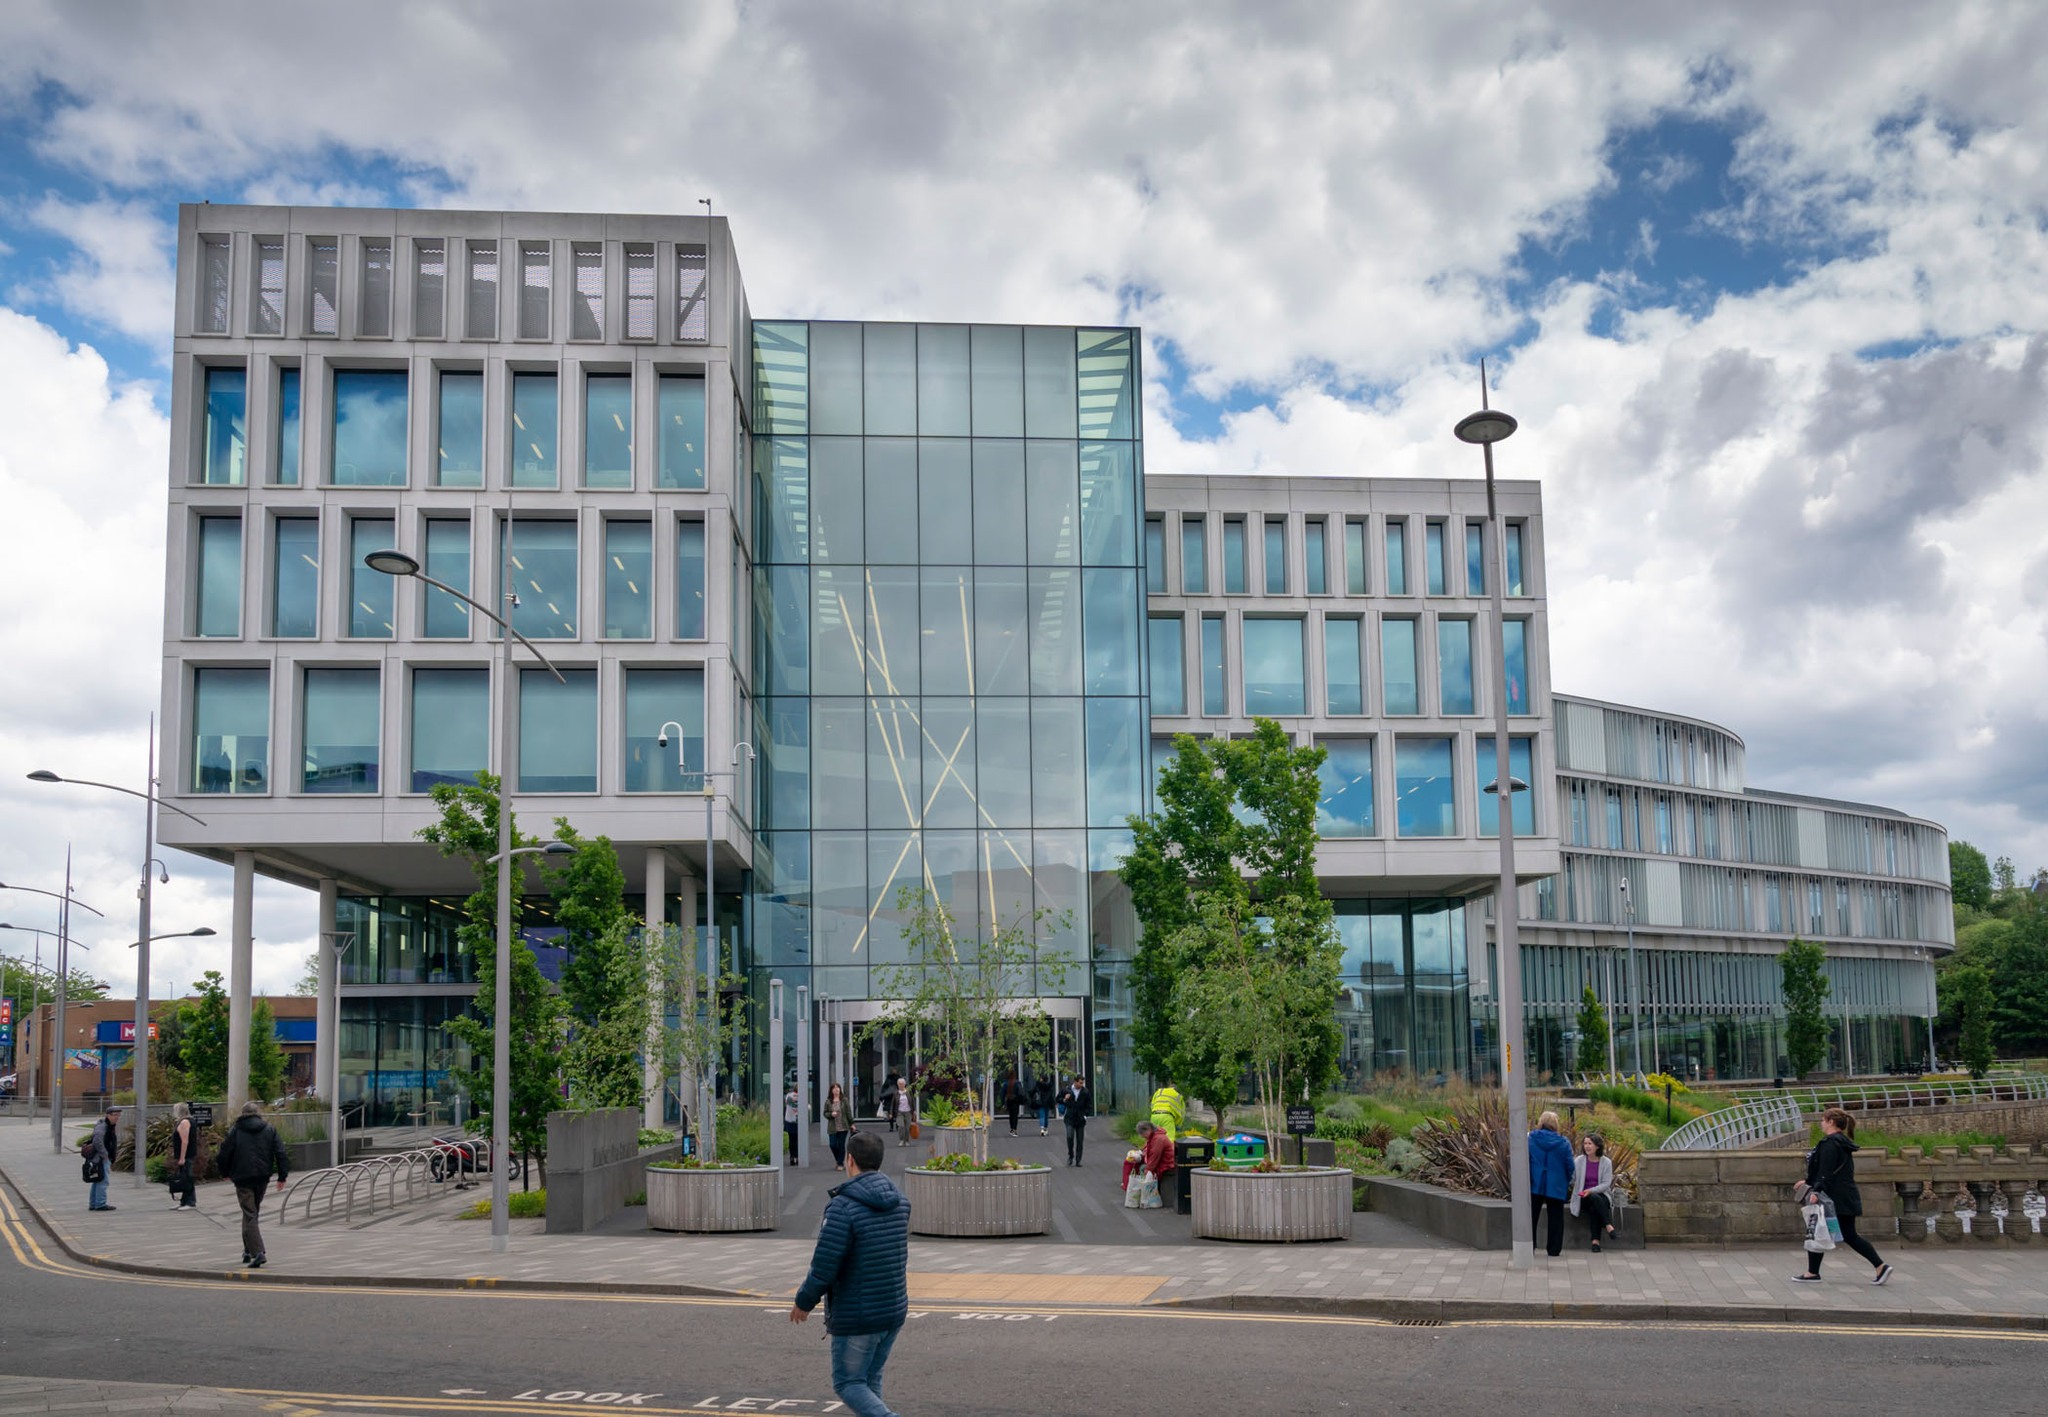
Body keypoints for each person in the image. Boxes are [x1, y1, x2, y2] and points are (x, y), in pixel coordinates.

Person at [791, 1130, 911, 1417]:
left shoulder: (843, 1207)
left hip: (859, 1315)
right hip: (892, 1309)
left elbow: (824, 1265)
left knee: (848, 1383)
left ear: (850, 1160)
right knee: (869, 1382)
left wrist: (803, 1302)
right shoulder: (900, 1202)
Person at [1793, 1107, 1892, 1286]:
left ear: (1831, 1122)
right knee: (1823, 1231)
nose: (1821, 1123)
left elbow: (1826, 1172)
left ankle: (1880, 1265)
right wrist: (1807, 1181)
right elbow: (1829, 1171)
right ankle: (1812, 1272)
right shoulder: (1841, 1142)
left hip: (1834, 1198)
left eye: (1823, 1120)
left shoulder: (1830, 1143)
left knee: (1841, 1234)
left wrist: (1816, 1191)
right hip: (1844, 1196)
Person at [214, 1100, 288, 1267]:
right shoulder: (269, 1129)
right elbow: (280, 1152)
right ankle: (247, 1250)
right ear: (257, 1112)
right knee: (251, 1212)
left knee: (249, 1213)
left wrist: (224, 1172)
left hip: (242, 1177)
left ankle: (258, 1252)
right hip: (262, 1176)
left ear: (243, 1113)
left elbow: (224, 1153)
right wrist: (282, 1176)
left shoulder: (236, 1130)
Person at [1527, 1110, 1573, 1258]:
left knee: (1532, 1217)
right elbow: (1570, 1165)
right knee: (1556, 1218)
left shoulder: (1531, 1139)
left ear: (1541, 1122)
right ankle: (1554, 1250)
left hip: (1535, 1183)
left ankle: (1530, 1246)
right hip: (1556, 1184)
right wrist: (1566, 1179)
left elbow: (1525, 1159)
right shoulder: (1563, 1142)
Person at [1569, 1132, 1613, 1252]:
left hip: (1602, 1195)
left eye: (1590, 1144)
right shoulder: (1579, 1161)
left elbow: (1606, 1184)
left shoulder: (1606, 1162)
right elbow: (1572, 1179)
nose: (1587, 1146)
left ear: (1597, 1146)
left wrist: (1591, 1190)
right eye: (1585, 1143)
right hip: (1583, 1196)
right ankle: (1608, 1225)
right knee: (1593, 1199)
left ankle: (1595, 1242)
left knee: (1595, 1204)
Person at [84, 1105, 120, 1211]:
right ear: (108, 1115)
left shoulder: (107, 1125)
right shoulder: (103, 1126)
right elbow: (97, 1141)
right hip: (100, 1158)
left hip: (99, 1157)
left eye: (118, 1115)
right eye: (114, 1115)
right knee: (103, 1180)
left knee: (97, 1179)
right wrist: (105, 1155)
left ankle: (94, 1203)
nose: (117, 1117)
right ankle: (100, 1204)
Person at [168, 1101, 199, 1211]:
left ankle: (190, 1201)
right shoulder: (188, 1121)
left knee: (187, 1177)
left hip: (187, 1155)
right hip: (187, 1154)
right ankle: (184, 1201)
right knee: (185, 1178)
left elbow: (184, 1141)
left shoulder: (184, 1122)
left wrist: (182, 1157)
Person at [1140, 1118, 1175, 1209]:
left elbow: (1155, 1156)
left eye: (1142, 1134)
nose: (1142, 1137)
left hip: (1167, 1164)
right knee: (1143, 1167)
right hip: (1165, 1162)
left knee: (1143, 1169)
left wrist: (1148, 1169)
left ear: (1147, 1130)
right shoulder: (1155, 1136)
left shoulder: (1158, 1139)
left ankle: (1149, 1196)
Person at [1058, 1075, 1090, 1166]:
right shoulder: (1067, 1090)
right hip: (1069, 1118)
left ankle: (1078, 1160)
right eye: (1080, 1082)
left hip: (1080, 1119)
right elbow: (1058, 1099)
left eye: (1082, 1083)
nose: (1081, 1084)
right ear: (1075, 1082)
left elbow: (1089, 1104)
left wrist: (1085, 1115)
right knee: (1069, 1136)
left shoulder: (1085, 1092)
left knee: (1080, 1140)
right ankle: (1070, 1155)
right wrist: (1064, 1099)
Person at [825, 1082, 851, 1170]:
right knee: (832, 1144)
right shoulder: (828, 1101)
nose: (836, 1090)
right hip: (833, 1126)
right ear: (831, 1091)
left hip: (843, 1126)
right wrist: (831, 1114)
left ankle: (840, 1163)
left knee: (841, 1145)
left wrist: (852, 1123)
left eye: (838, 1088)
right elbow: (825, 1113)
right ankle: (838, 1159)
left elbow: (848, 1113)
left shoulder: (844, 1100)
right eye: (834, 1088)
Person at [784, 1084, 801, 1166]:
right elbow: (790, 1102)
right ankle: (794, 1156)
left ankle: (795, 1156)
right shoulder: (790, 1096)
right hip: (792, 1120)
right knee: (793, 1140)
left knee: (794, 1140)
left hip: (794, 1121)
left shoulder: (789, 1096)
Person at [894, 1075, 912, 1146]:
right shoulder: (896, 1093)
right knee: (901, 1126)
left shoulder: (908, 1092)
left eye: (902, 1084)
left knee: (907, 1127)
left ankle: (907, 1140)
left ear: (905, 1084)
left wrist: (914, 1111)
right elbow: (893, 1103)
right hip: (899, 1112)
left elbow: (912, 1101)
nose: (901, 1085)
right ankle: (901, 1140)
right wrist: (891, 1113)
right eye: (899, 1084)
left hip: (908, 1111)